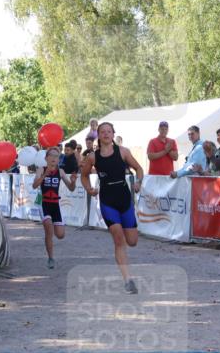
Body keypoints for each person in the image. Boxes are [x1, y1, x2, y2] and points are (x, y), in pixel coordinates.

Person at [81, 122, 144, 294]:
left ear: (113, 134)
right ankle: (128, 280)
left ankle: (125, 237)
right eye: (103, 132)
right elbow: (84, 175)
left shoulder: (123, 152)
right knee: (118, 239)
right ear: (99, 135)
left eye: (109, 131)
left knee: (132, 241)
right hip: (108, 201)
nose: (106, 134)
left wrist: (138, 182)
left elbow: (138, 168)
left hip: (124, 200)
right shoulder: (93, 157)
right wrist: (89, 189)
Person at [33, 147, 77, 269]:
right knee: (48, 228)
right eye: (51, 155)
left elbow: (71, 188)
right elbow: (34, 185)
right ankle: (51, 258)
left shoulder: (61, 171)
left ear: (58, 159)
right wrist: (44, 175)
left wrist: (73, 181)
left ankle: (53, 232)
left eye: (56, 156)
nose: (53, 158)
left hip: (55, 204)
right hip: (44, 203)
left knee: (60, 235)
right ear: (46, 158)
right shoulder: (41, 169)